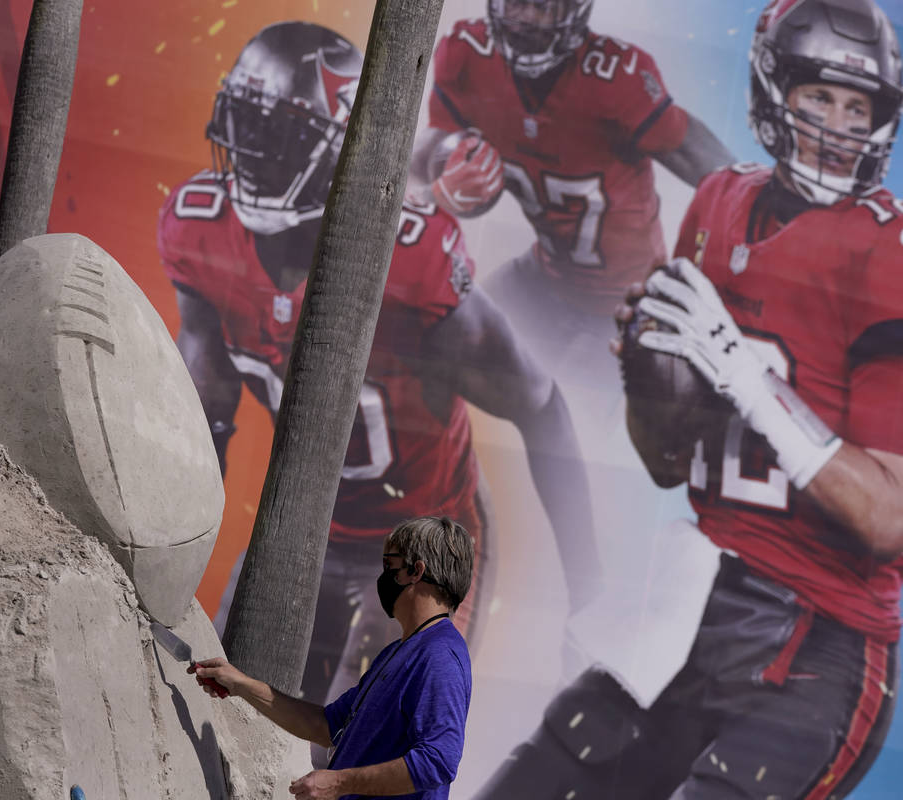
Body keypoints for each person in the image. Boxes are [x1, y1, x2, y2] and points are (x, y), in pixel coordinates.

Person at [470, 0, 903, 797]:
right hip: (695, 601)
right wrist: (650, 369)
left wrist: (739, 374)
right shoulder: (720, 201)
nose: (837, 123)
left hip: (820, 641)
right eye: (819, 97)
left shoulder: (899, 247)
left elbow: (889, 516)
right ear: (774, 91)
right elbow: (666, 464)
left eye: (856, 105)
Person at [158, 20, 599, 726]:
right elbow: (204, 414)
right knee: (215, 713)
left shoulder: (411, 267)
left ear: (333, 150)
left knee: (362, 752)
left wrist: (590, 594)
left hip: (419, 547)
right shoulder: (200, 230)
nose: (250, 152)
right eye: (244, 124)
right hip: (304, 523)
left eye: (279, 135)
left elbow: (541, 407)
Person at [409, 0, 733, 378]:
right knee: (433, 349)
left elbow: (723, 176)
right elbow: (418, 169)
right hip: (545, 274)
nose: (526, 20)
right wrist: (441, 190)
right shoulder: (466, 54)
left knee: (573, 412)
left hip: (625, 301)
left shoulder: (616, 80)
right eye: (516, 2)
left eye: (544, 6)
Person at [193, 515, 474, 800]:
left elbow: (438, 762)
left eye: (389, 565)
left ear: (416, 571)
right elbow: (326, 725)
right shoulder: (398, 652)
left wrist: (338, 783)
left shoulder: (440, 655)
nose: (382, 576)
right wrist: (241, 685)